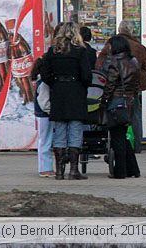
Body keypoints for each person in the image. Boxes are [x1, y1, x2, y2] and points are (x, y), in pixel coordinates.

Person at [39, 22, 92, 180]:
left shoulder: (52, 52)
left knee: (60, 130)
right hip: (76, 91)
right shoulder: (80, 52)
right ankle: (74, 170)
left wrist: (55, 83)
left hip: (59, 92)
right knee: (75, 129)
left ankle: (60, 171)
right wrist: (81, 85)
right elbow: (87, 76)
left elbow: (45, 74)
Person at [97, 21, 146, 153]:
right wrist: (137, 79)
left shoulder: (110, 45)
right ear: (131, 31)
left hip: (114, 90)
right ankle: (137, 146)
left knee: (114, 117)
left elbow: (99, 63)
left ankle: (117, 146)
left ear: (119, 29)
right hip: (132, 88)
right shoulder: (139, 47)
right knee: (135, 116)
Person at [100, 35, 141, 179]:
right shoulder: (133, 61)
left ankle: (120, 171)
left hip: (116, 102)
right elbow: (137, 83)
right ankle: (133, 169)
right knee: (123, 136)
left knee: (117, 137)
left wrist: (103, 101)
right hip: (129, 102)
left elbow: (110, 84)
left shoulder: (115, 62)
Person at [31, 56, 54, 177]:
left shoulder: (37, 82)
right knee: (46, 141)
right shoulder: (44, 83)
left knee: (43, 140)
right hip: (45, 114)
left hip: (41, 114)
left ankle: (44, 167)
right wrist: (51, 111)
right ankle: (45, 168)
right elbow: (44, 102)